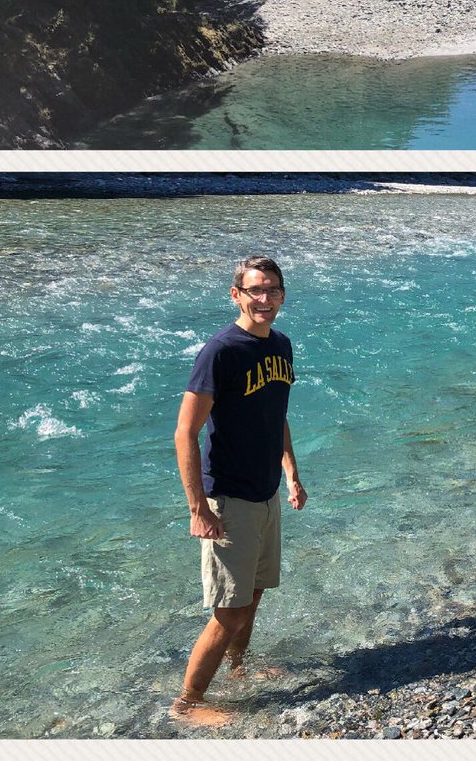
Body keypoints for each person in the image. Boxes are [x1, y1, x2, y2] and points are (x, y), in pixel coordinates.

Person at [171, 255, 307, 726]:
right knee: (228, 610)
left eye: (272, 290)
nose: (264, 299)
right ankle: (186, 704)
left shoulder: (282, 346)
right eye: (254, 291)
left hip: (266, 492)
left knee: (254, 594)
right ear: (236, 295)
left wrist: (291, 471)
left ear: (283, 294)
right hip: (228, 498)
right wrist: (198, 508)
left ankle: (239, 669)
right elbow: (185, 433)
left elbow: (277, 413)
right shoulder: (220, 351)